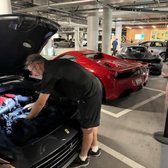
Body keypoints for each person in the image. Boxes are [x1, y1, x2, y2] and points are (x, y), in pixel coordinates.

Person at [24, 53, 102, 168]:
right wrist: (36, 103)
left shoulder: (49, 73)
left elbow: (41, 102)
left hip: (88, 94)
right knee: (92, 122)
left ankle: (83, 159)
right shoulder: (56, 63)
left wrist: (28, 118)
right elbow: (48, 94)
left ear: (36, 65)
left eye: (31, 71)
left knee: (87, 129)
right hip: (93, 86)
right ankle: (95, 149)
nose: (33, 74)